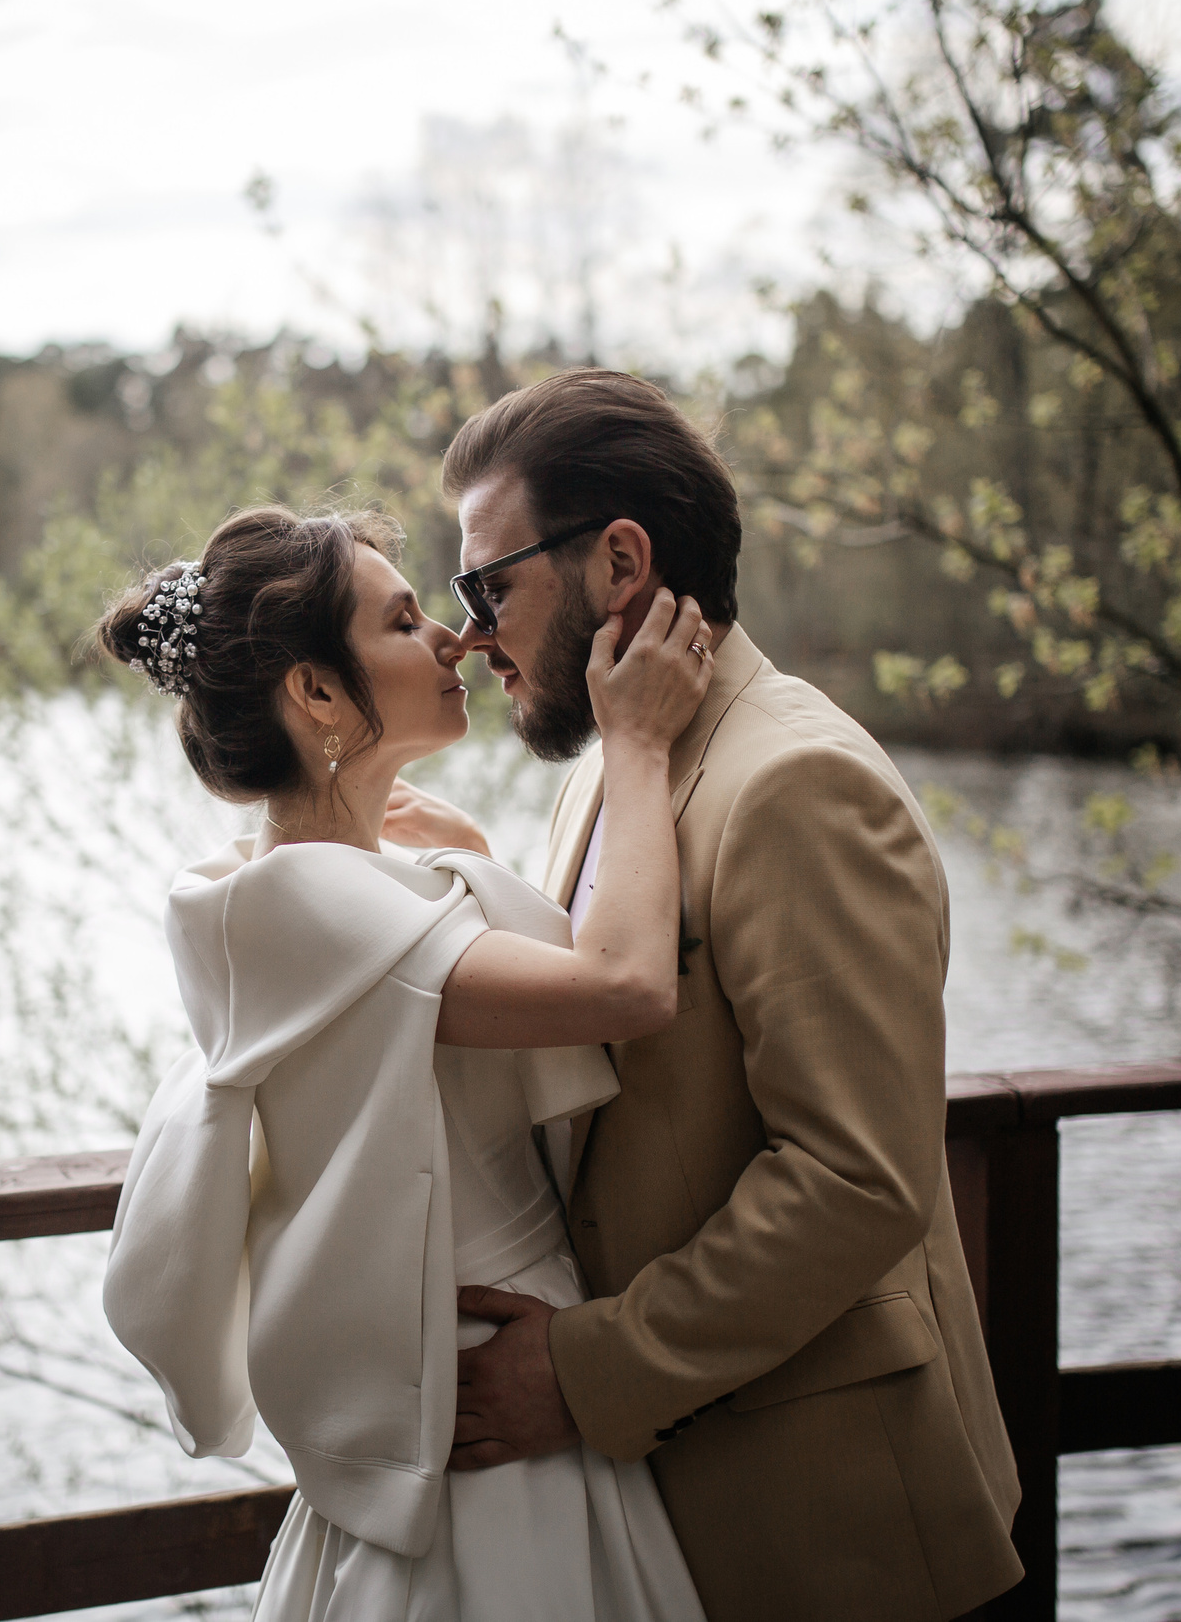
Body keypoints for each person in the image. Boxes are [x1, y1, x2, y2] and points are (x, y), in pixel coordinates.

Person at [383, 368, 1025, 1621]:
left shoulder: (797, 784)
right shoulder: (616, 766)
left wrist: (582, 1371)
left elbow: (857, 1181)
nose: (466, 635)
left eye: (487, 586)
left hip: (835, 1531)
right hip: (674, 1517)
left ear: (617, 563)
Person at [97, 501, 717, 1622]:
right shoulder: (317, 900)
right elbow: (624, 988)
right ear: (318, 693)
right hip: (487, 1401)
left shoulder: (301, 883)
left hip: (476, 1365)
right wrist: (636, 744)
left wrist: (463, 860)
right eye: (401, 622)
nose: (455, 639)